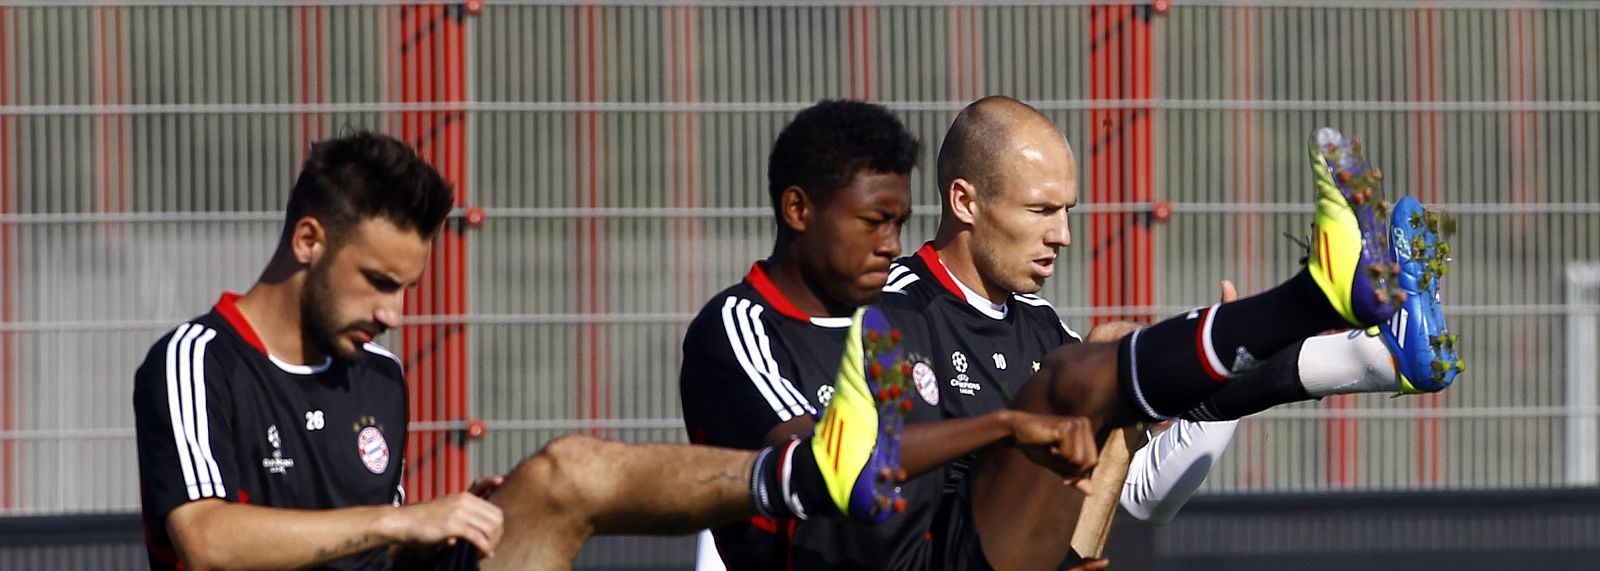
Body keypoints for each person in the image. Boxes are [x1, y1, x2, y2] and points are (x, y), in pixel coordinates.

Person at [131, 131, 973, 571]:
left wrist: (438, 526)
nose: (394, 314)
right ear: (309, 239)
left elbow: (367, 546)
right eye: (378, 281)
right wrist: (404, 518)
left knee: (562, 472)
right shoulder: (196, 361)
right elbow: (205, 540)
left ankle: (800, 475)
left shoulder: (376, 376)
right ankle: (801, 471)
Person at [880, 97, 1463, 570]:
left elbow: (1132, 498)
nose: (1062, 235)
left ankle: (1378, 354)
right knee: (1096, 370)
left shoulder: (1040, 325)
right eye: (1040, 211)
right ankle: (1320, 304)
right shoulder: (897, 314)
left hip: (1052, 554)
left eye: (1068, 212)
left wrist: (1188, 377)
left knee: (1123, 376)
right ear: (965, 201)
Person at [678, 100, 1101, 570]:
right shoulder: (741, 327)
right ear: (798, 209)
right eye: (873, 222)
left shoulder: (890, 324)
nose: (892, 244)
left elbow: (928, 520)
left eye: (897, 224)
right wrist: (1006, 426)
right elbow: (831, 466)